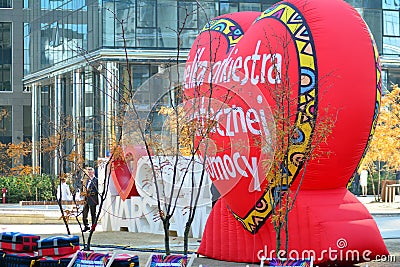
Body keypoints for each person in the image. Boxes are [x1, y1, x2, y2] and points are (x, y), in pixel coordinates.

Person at [82, 167, 99, 232]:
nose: (89, 173)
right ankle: (86, 226)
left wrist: (91, 193)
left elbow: (97, 190)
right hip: (86, 199)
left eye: (90, 172)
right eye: (88, 172)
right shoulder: (87, 181)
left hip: (93, 199)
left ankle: (93, 227)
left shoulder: (96, 180)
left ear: (93, 172)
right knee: (84, 213)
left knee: (93, 214)